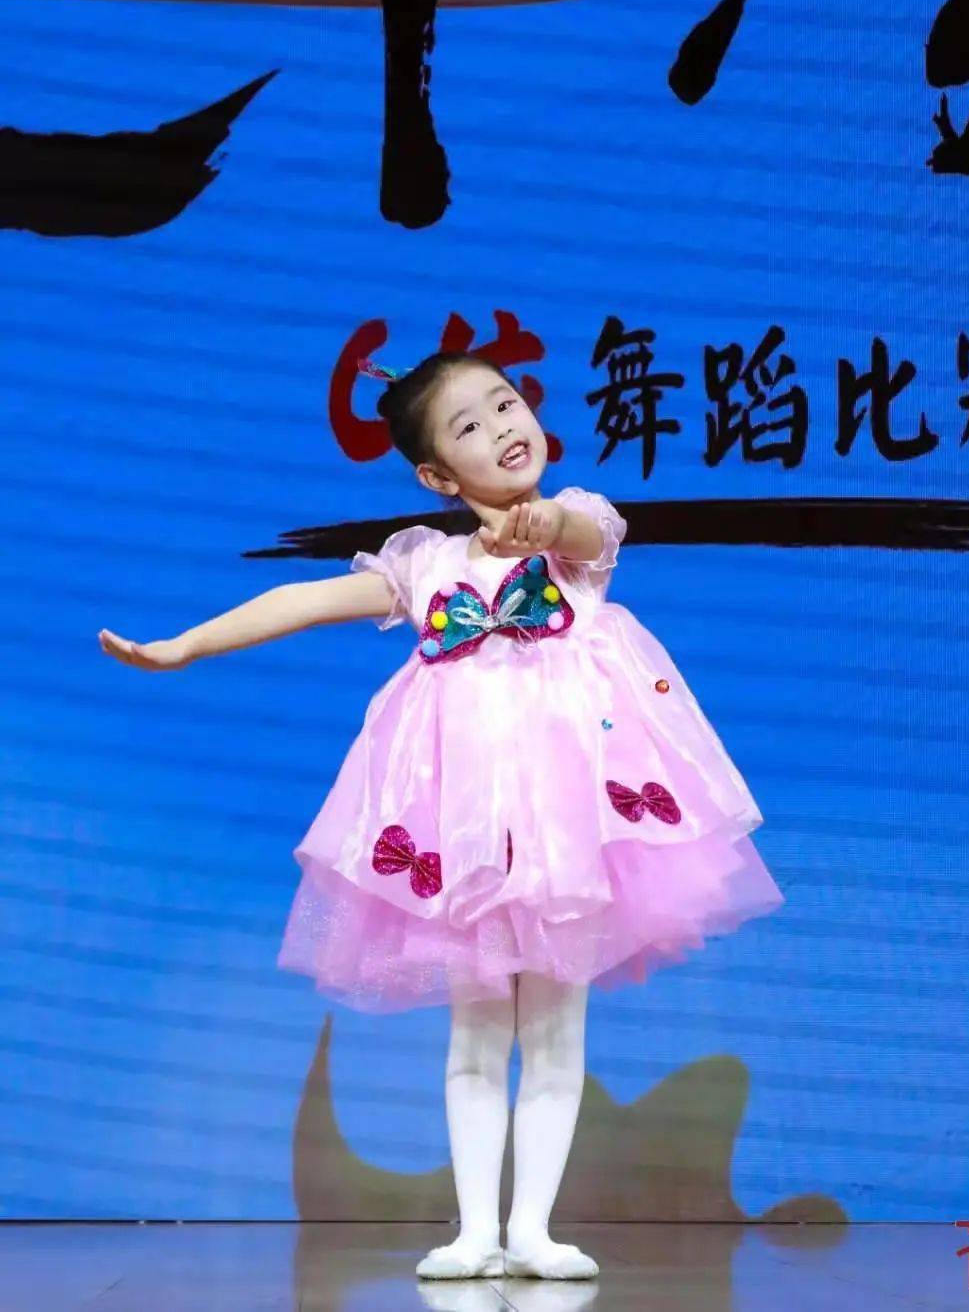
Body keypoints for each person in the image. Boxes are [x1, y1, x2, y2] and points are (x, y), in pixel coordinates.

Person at [98, 350, 783, 1281]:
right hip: (466, 833)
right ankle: (474, 1232)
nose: (502, 428)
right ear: (436, 477)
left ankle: (533, 1231)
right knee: (475, 1036)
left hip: (568, 832)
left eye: (506, 405)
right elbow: (303, 599)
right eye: (469, 426)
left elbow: (583, 531)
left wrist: (549, 524)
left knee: (555, 1034)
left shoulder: (574, 534)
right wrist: (186, 646)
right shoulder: (425, 564)